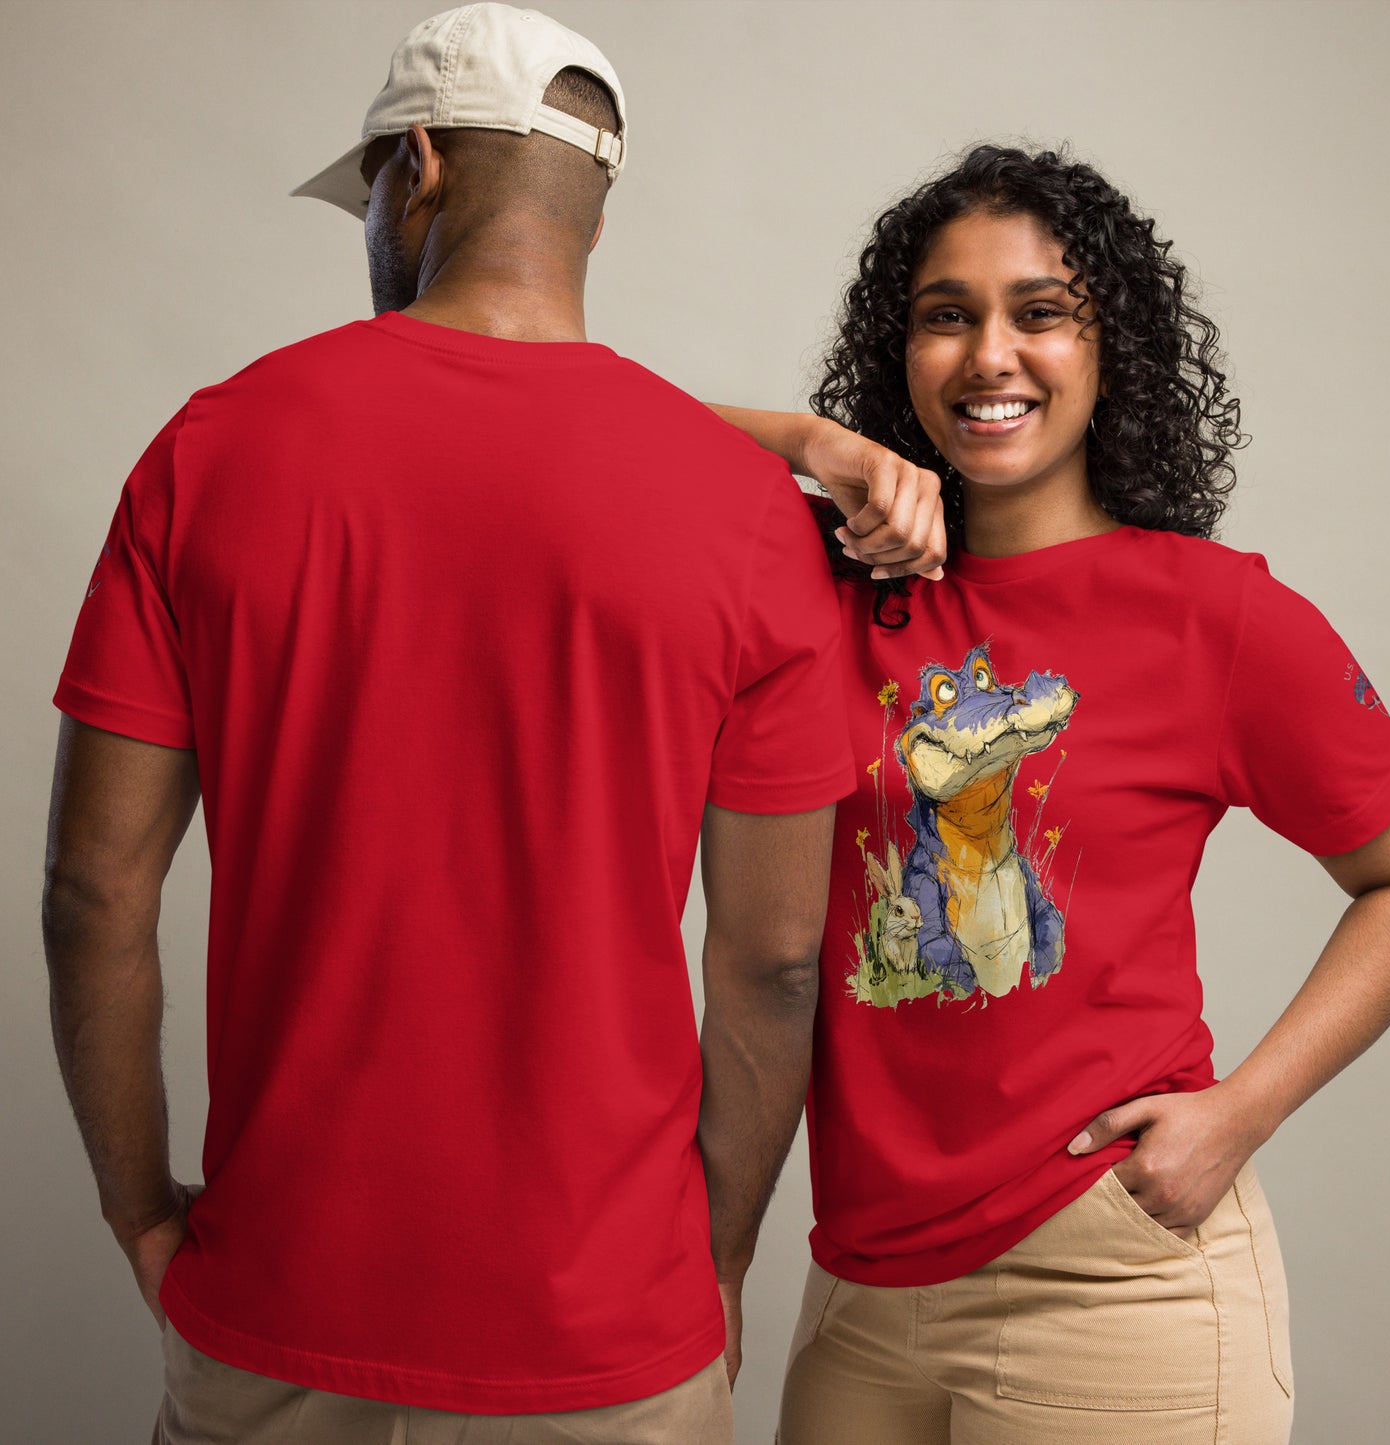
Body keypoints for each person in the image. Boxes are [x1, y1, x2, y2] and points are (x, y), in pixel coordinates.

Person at [41, 6, 855, 1442]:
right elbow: (773, 963)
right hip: (608, 1336)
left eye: (365, 190)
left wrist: (140, 1214)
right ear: (594, 211)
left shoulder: (211, 451)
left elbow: (92, 889)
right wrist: (710, 1265)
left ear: (411, 170)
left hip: (278, 1302)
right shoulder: (743, 518)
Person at [712, 143, 1390, 1444]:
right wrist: (811, 442)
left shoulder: (1213, 617)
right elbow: (585, 433)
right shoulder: (821, 597)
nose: (990, 354)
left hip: (1110, 1275)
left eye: (1039, 312)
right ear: (900, 349)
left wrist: (1243, 1108)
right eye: (947, 316)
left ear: (1113, 349)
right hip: (859, 1284)